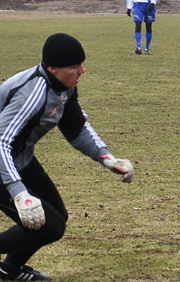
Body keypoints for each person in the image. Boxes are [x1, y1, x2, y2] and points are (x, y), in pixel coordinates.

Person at [0, 33, 135, 281]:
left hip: (20, 158)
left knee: (56, 217)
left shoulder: (64, 87)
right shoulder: (33, 93)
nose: (82, 71)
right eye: (74, 67)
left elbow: (76, 127)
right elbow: (1, 142)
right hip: (3, 160)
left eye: (82, 63)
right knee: (49, 227)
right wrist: (19, 193)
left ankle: (9, 270)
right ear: (53, 68)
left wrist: (106, 158)